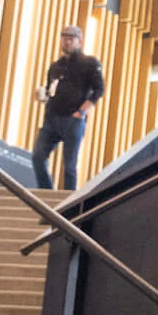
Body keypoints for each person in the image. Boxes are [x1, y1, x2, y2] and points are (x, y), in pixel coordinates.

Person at [33, 26, 105, 191]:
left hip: (73, 119)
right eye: (64, 37)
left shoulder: (90, 63)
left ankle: (69, 202)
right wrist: (42, 97)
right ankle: (46, 193)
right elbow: (51, 90)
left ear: (79, 41)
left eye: (70, 38)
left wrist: (81, 112)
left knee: (70, 166)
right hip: (52, 117)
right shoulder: (55, 66)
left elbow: (99, 90)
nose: (66, 41)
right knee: (38, 156)